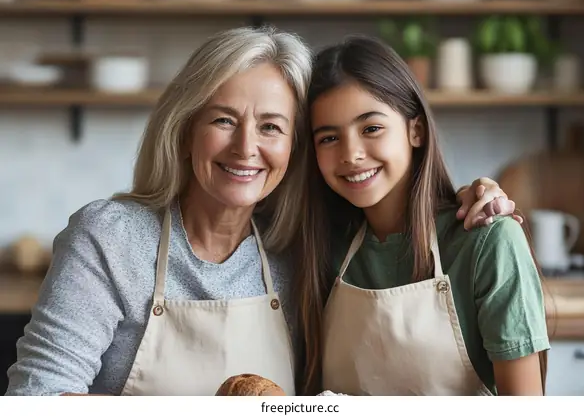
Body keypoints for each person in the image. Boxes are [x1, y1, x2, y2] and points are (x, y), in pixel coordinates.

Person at [5, 26, 519, 397]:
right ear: (184, 131)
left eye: (272, 126)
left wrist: (472, 196)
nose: (246, 147)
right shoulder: (111, 237)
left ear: (294, 147)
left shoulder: (306, 244)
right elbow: (36, 398)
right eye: (224, 120)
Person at [297, 35, 550, 396]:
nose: (351, 154)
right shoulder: (321, 249)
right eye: (328, 138)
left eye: (371, 128)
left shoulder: (486, 240)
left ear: (415, 130)